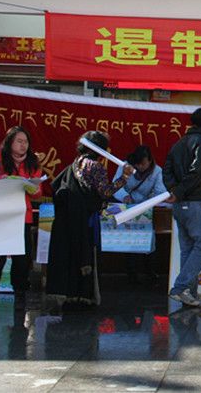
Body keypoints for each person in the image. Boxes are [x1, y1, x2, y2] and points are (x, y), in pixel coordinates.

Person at [47, 131, 134, 311]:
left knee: (71, 255)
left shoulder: (75, 163)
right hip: (85, 219)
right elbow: (105, 192)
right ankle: (84, 297)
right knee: (86, 253)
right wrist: (124, 177)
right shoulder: (95, 166)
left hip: (69, 219)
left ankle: (70, 295)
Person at [0, 126, 43, 319]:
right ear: (10, 142)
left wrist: (33, 188)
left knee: (22, 260)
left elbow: (38, 192)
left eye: (26, 142)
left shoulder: (33, 162)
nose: (23, 145)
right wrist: (3, 179)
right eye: (19, 141)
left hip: (23, 216)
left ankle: (20, 293)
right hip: (2, 215)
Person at [163, 107, 201, 308]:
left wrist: (174, 190)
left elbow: (166, 170)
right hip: (196, 202)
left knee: (188, 249)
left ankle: (189, 294)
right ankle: (180, 288)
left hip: (180, 205)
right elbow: (198, 171)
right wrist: (179, 191)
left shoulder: (179, 143)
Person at [112, 145, 167, 282]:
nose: (140, 167)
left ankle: (150, 272)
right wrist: (124, 196)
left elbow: (160, 192)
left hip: (146, 210)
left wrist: (150, 201)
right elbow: (115, 185)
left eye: (143, 164)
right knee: (130, 240)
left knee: (148, 241)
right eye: (138, 164)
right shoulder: (125, 166)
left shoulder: (157, 171)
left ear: (150, 161)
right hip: (128, 208)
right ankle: (131, 273)